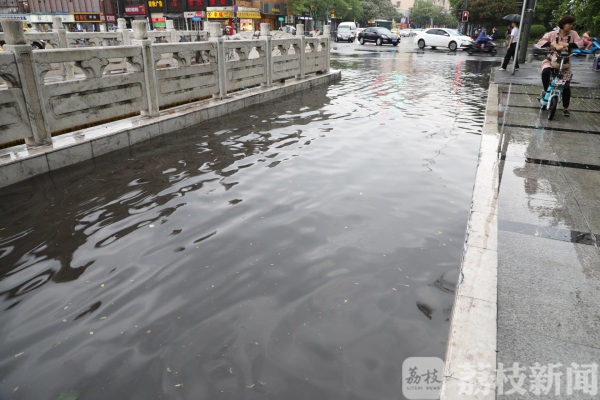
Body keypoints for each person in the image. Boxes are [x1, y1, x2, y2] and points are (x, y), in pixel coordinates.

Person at [537, 15, 583, 117]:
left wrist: (568, 45)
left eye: (572, 24)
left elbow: (580, 43)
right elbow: (540, 42)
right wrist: (552, 44)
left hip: (565, 64)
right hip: (551, 61)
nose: (570, 26)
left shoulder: (573, 34)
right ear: (563, 24)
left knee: (566, 86)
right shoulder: (552, 34)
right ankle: (546, 91)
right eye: (569, 24)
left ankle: (566, 108)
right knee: (546, 71)